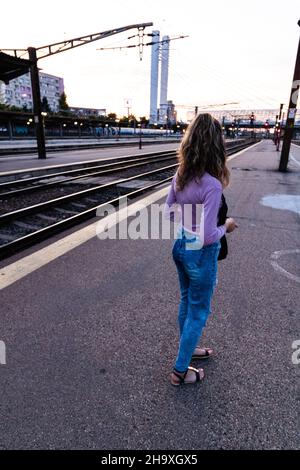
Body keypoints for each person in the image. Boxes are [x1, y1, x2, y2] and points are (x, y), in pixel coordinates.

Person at [165, 113, 237, 386]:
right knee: (198, 311)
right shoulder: (212, 185)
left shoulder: (181, 175)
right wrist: (226, 226)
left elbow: (169, 213)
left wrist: (189, 219)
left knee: (187, 301)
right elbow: (208, 236)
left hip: (181, 246)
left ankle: (189, 346)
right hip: (200, 253)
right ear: (217, 146)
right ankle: (180, 372)